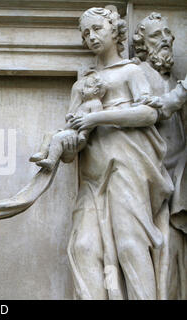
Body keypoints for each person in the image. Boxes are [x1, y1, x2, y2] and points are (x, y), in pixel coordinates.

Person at [65, 7, 173, 299]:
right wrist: (60, 144)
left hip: (127, 168)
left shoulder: (131, 71)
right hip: (92, 178)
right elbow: (72, 137)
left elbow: (149, 113)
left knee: (129, 244)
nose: (91, 37)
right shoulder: (82, 85)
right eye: (85, 33)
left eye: (97, 28)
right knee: (83, 246)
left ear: (114, 30)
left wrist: (96, 118)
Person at [132, 13, 186, 299]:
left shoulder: (174, 81)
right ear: (142, 46)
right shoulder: (139, 74)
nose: (165, 39)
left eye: (168, 33)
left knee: (174, 252)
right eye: (156, 35)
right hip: (155, 180)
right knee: (164, 249)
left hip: (178, 174)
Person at [29, 72, 106, 170]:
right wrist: (71, 116)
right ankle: (42, 153)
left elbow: (93, 120)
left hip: (77, 134)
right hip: (68, 130)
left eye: (87, 87)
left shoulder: (95, 104)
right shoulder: (84, 104)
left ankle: (51, 160)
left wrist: (83, 133)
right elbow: (76, 115)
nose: (83, 89)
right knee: (48, 134)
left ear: (95, 90)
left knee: (57, 138)